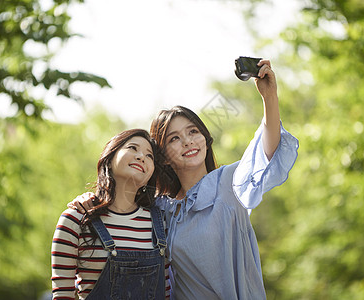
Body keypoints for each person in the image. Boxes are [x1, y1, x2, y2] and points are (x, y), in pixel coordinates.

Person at [71, 59, 299, 299]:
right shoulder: (161, 209)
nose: (188, 141)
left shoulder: (230, 182)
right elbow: (121, 208)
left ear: (205, 139)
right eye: (174, 139)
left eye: (193, 132)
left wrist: (269, 96)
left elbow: (267, 152)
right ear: (164, 157)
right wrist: (94, 200)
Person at [51, 129, 170, 300]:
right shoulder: (76, 220)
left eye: (149, 156)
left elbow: (165, 293)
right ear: (110, 157)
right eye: (133, 148)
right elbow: (63, 295)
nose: (142, 157)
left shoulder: (160, 224)